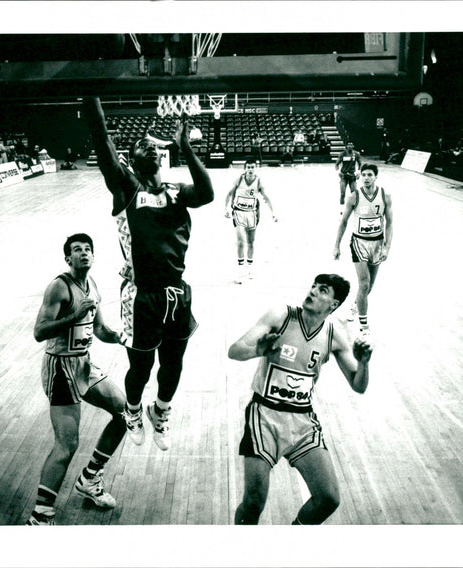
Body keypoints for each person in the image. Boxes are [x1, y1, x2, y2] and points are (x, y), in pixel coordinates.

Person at [82, 96, 214, 451]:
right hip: (140, 295)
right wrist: (92, 96)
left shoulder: (176, 192)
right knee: (140, 368)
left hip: (177, 292)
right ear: (131, 160)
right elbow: (101, 138)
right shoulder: (126, 187)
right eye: (141, 145)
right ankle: (134, 408)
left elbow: (208, 193)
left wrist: (185, 145)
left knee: (174, 364)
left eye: (153, 145)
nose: (150, 148)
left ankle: (162, 410)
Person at [228, 273, 373, 525]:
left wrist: (363, 363)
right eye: (314, 286)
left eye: (323, 290)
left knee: (328, 498)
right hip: (265, 415)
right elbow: (235, 351)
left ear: (334, 304)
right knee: (253, 502)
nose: (314, 291)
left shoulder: (333, 335)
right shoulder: (280, 316)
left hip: (302, 421)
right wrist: (258, 351)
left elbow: (359, 385)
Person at [26, 234, 127, 526]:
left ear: (93, 256)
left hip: (83, 364)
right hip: (60, 368)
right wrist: (74, 316)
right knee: (67, 445)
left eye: (87, 250)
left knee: (124, 412)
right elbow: (39, 332)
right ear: (68, 259)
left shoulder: (92, 285)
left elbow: (99, 329)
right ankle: (40, 516)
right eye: (77, 250)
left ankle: (90, 478)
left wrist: (120, 337)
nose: (83, 253)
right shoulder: (59, 287)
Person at [332, 163, 394, 336]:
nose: (366, 178)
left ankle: (354, 306)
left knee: (369, 287)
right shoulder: (353, 197)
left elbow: (390, 224)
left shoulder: (385, 196)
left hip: (377, 243)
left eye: (369, 175)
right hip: (359, 243)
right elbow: (343, 222)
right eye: (363, 175)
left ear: (376, 177)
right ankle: (364, 325)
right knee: (364, 283)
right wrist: (336, 245)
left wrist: (387, 247)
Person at [224, 160, 278, 283]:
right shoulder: (239, 179)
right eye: (248, 167)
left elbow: (266, 197)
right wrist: (226, 209)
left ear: (255, 168)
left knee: (251, 242)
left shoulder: (258, 181)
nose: (250, 169)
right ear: (245, 168)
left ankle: (249, 268)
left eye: (252, 167)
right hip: (238, 212)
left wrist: (273, 213)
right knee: (240, 241)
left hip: (252, 213)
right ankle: (239, 270)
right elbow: (228, 194)